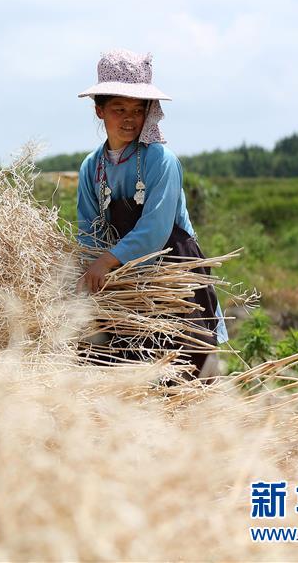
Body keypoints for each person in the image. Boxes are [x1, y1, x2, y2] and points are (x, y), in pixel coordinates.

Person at [75, 49, 228, 380]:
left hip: (171, 270)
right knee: (109, 361)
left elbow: (155, 230)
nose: (129, 118)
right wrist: (96, 268)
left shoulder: (162, 160)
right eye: (119, 109)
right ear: (99, 110)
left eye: (138, 109)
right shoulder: (92, 167)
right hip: (118, 277)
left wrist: (107, 263)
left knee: (186, 364)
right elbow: (88, 230)